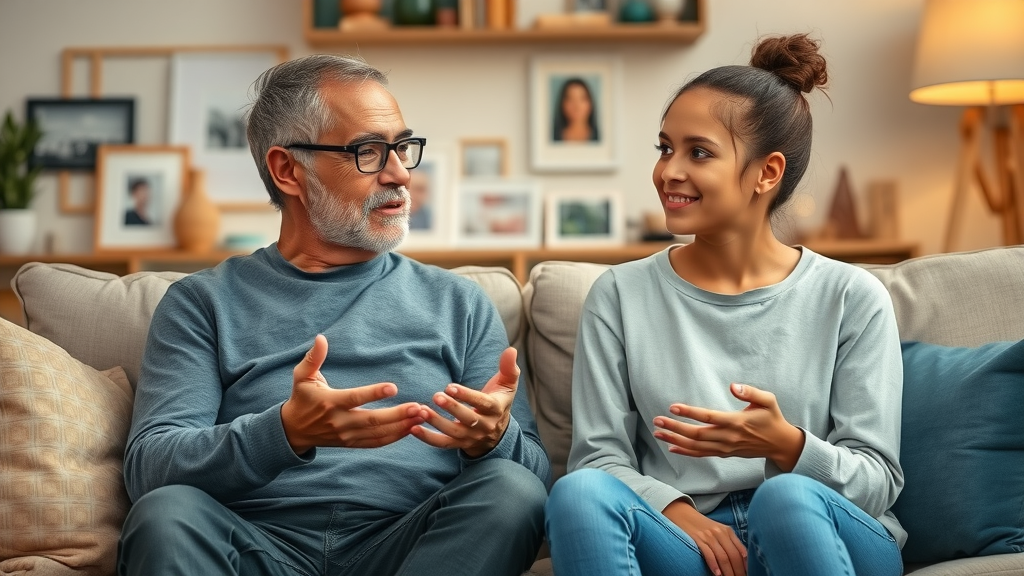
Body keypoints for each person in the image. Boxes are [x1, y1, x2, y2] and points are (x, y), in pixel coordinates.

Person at [117, 54, 550, 576]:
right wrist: (286, 431)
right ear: (288, 170)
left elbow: (535, 474)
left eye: (402, 148)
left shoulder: (461, 303)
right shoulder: (201, 303)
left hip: (412, 547)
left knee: (512, 489)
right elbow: (151, 468)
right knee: (165, 515)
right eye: (368, 151)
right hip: (256, 548)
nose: (400, 174)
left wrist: (494, 439)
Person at [544, 34, 905, 576]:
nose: (669, 171)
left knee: (784, 500)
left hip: (825, 526)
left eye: (699, 152)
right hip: (692, 541)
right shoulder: (619, 295)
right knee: (578, 493)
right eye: (665, 148)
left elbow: (877, 480)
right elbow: (598, 457)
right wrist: (677, 511)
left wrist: (787, 445)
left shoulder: (852, 297)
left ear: (767, 172)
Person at [552, 78, 599, 143]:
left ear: (590, 103)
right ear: (562, 104)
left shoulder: (600, 137)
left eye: (582, 99)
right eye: (570, 99)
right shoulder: (552, 137)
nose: (577, 106)